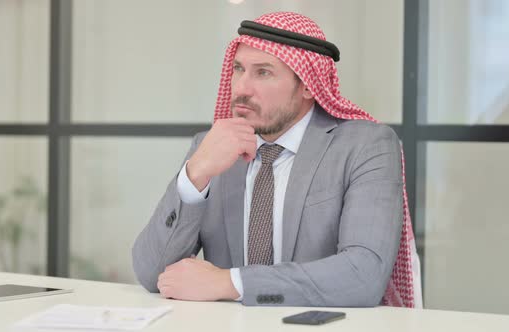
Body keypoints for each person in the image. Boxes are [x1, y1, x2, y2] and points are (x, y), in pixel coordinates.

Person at [133, 12, 419, 307]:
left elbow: (363, 275)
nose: (242, 88)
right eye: (238, 69)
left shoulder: (365, 146)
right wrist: (195, 175)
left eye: (263, 72)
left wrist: (230, 282)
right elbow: (152, 273)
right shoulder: (211, 147)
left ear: (309, 84)